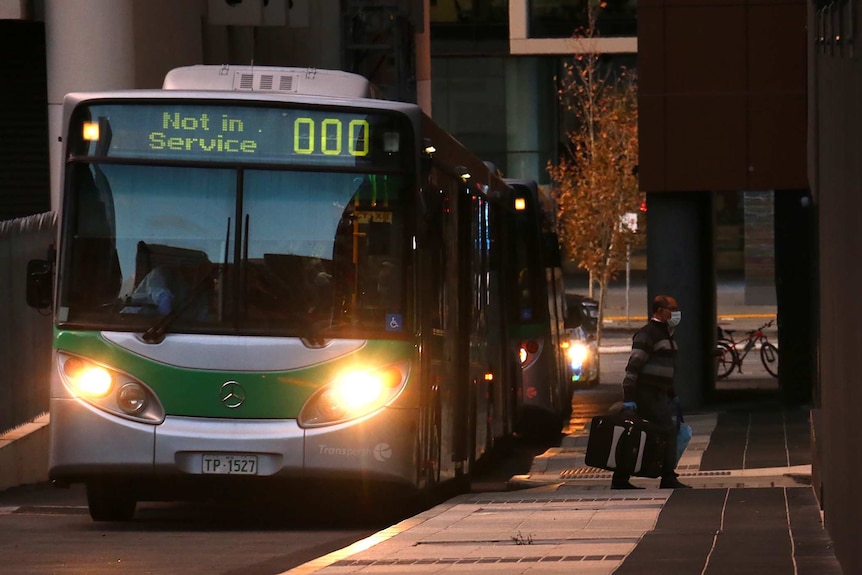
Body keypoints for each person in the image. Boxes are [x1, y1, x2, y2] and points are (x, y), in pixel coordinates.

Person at [611, 294, 691, 490]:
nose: (676, 313)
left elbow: (665, 367)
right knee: (668, 430)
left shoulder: (666, 335)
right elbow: (633, 367)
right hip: (646, 393)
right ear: (660, 311)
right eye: (672, 309)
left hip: (659, 394)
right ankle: (667, 477)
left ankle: (621, 479)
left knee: (636, 433)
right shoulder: (648, 334)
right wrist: (629, 398)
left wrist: (671, 393)